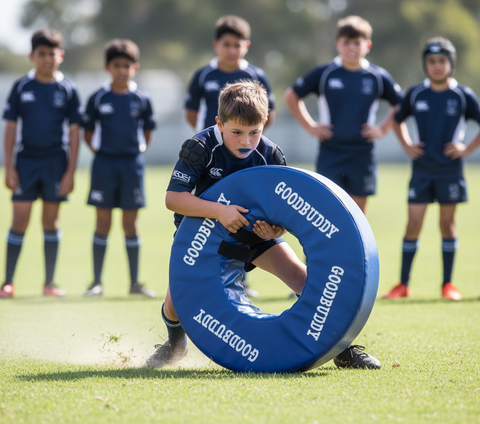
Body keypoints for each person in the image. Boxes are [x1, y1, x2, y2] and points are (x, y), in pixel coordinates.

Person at [145, 80, 380, 370]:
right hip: (201, 238)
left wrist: (276, 230)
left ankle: (341, 347)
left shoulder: (270, 154)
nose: (245, 141)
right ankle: (174, 345)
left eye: (254, 132)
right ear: (219, 123)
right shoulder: (200, 147)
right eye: (237, 133)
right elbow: (173, 198)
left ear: (265, 123)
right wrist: (220, 211)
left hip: (253, 235)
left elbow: (284, 209)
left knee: (303, 279)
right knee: (176, 303)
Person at [383, 37, 480, 301]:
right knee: (413, 225)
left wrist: (467, 149)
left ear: (451, 64)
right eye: (431, 61)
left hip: (450, 171)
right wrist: (407, 145)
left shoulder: (462, 95)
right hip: (422, 171)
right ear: (425, 64)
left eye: (442, 61)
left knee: (447, 225)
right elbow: (397, 119)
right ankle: (402, 285)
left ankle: (447, 285)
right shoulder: (416, 93)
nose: (437, 66)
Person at [185, 15, 275, 299]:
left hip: (242, 154)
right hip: (211, 155)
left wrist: (245, 139)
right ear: (216, 45)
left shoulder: (258, 76)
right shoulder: (203, 75)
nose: (232, 50)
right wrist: (207, 141)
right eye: (227, 44)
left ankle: (242, 277)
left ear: (246, 46)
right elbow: (191, 111)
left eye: (238, 45)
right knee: (213, 209)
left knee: (247, 213)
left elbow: (266, 115)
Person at [284, 15, 404, 215]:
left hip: (362, 152)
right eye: (346, 42)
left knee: (357, 213)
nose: (351, 48)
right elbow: (291, 96)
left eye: (357, 43)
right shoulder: (325, 73)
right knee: (327, 208)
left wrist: (383, 129)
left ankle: (357, 248)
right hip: (331, 152)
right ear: (338, 44)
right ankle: (329, 247)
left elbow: (402, 103)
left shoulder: (377, 76)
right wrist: (310, 126)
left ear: (367, 45)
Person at [0, 29, 81, 298]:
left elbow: (73, 132)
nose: (47, 59)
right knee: (19, 219)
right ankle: (8, 282)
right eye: (41, 54)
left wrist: (70, 172)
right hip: (25, 161)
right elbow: (11, 127)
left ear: (61, 56)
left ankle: (49, 283)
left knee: (51, 221)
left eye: (52, 53)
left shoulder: (67, 89)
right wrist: (9, 166)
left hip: (56, 161)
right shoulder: (22, 87)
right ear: (32, 56)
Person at [81, 39, 157, 298]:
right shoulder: (98, 98)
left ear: (135, 67)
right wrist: (103, 152)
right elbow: (88, 133)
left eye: (127, 65)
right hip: (104, 164)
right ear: (107, 67)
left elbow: (148, 130)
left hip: (131, 165)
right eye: (116, 65)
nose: (122, 70)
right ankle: (96, 283)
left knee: (131, 224)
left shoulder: (142, 98)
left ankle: (135, 283)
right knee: (102, 222)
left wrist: (137, 150)